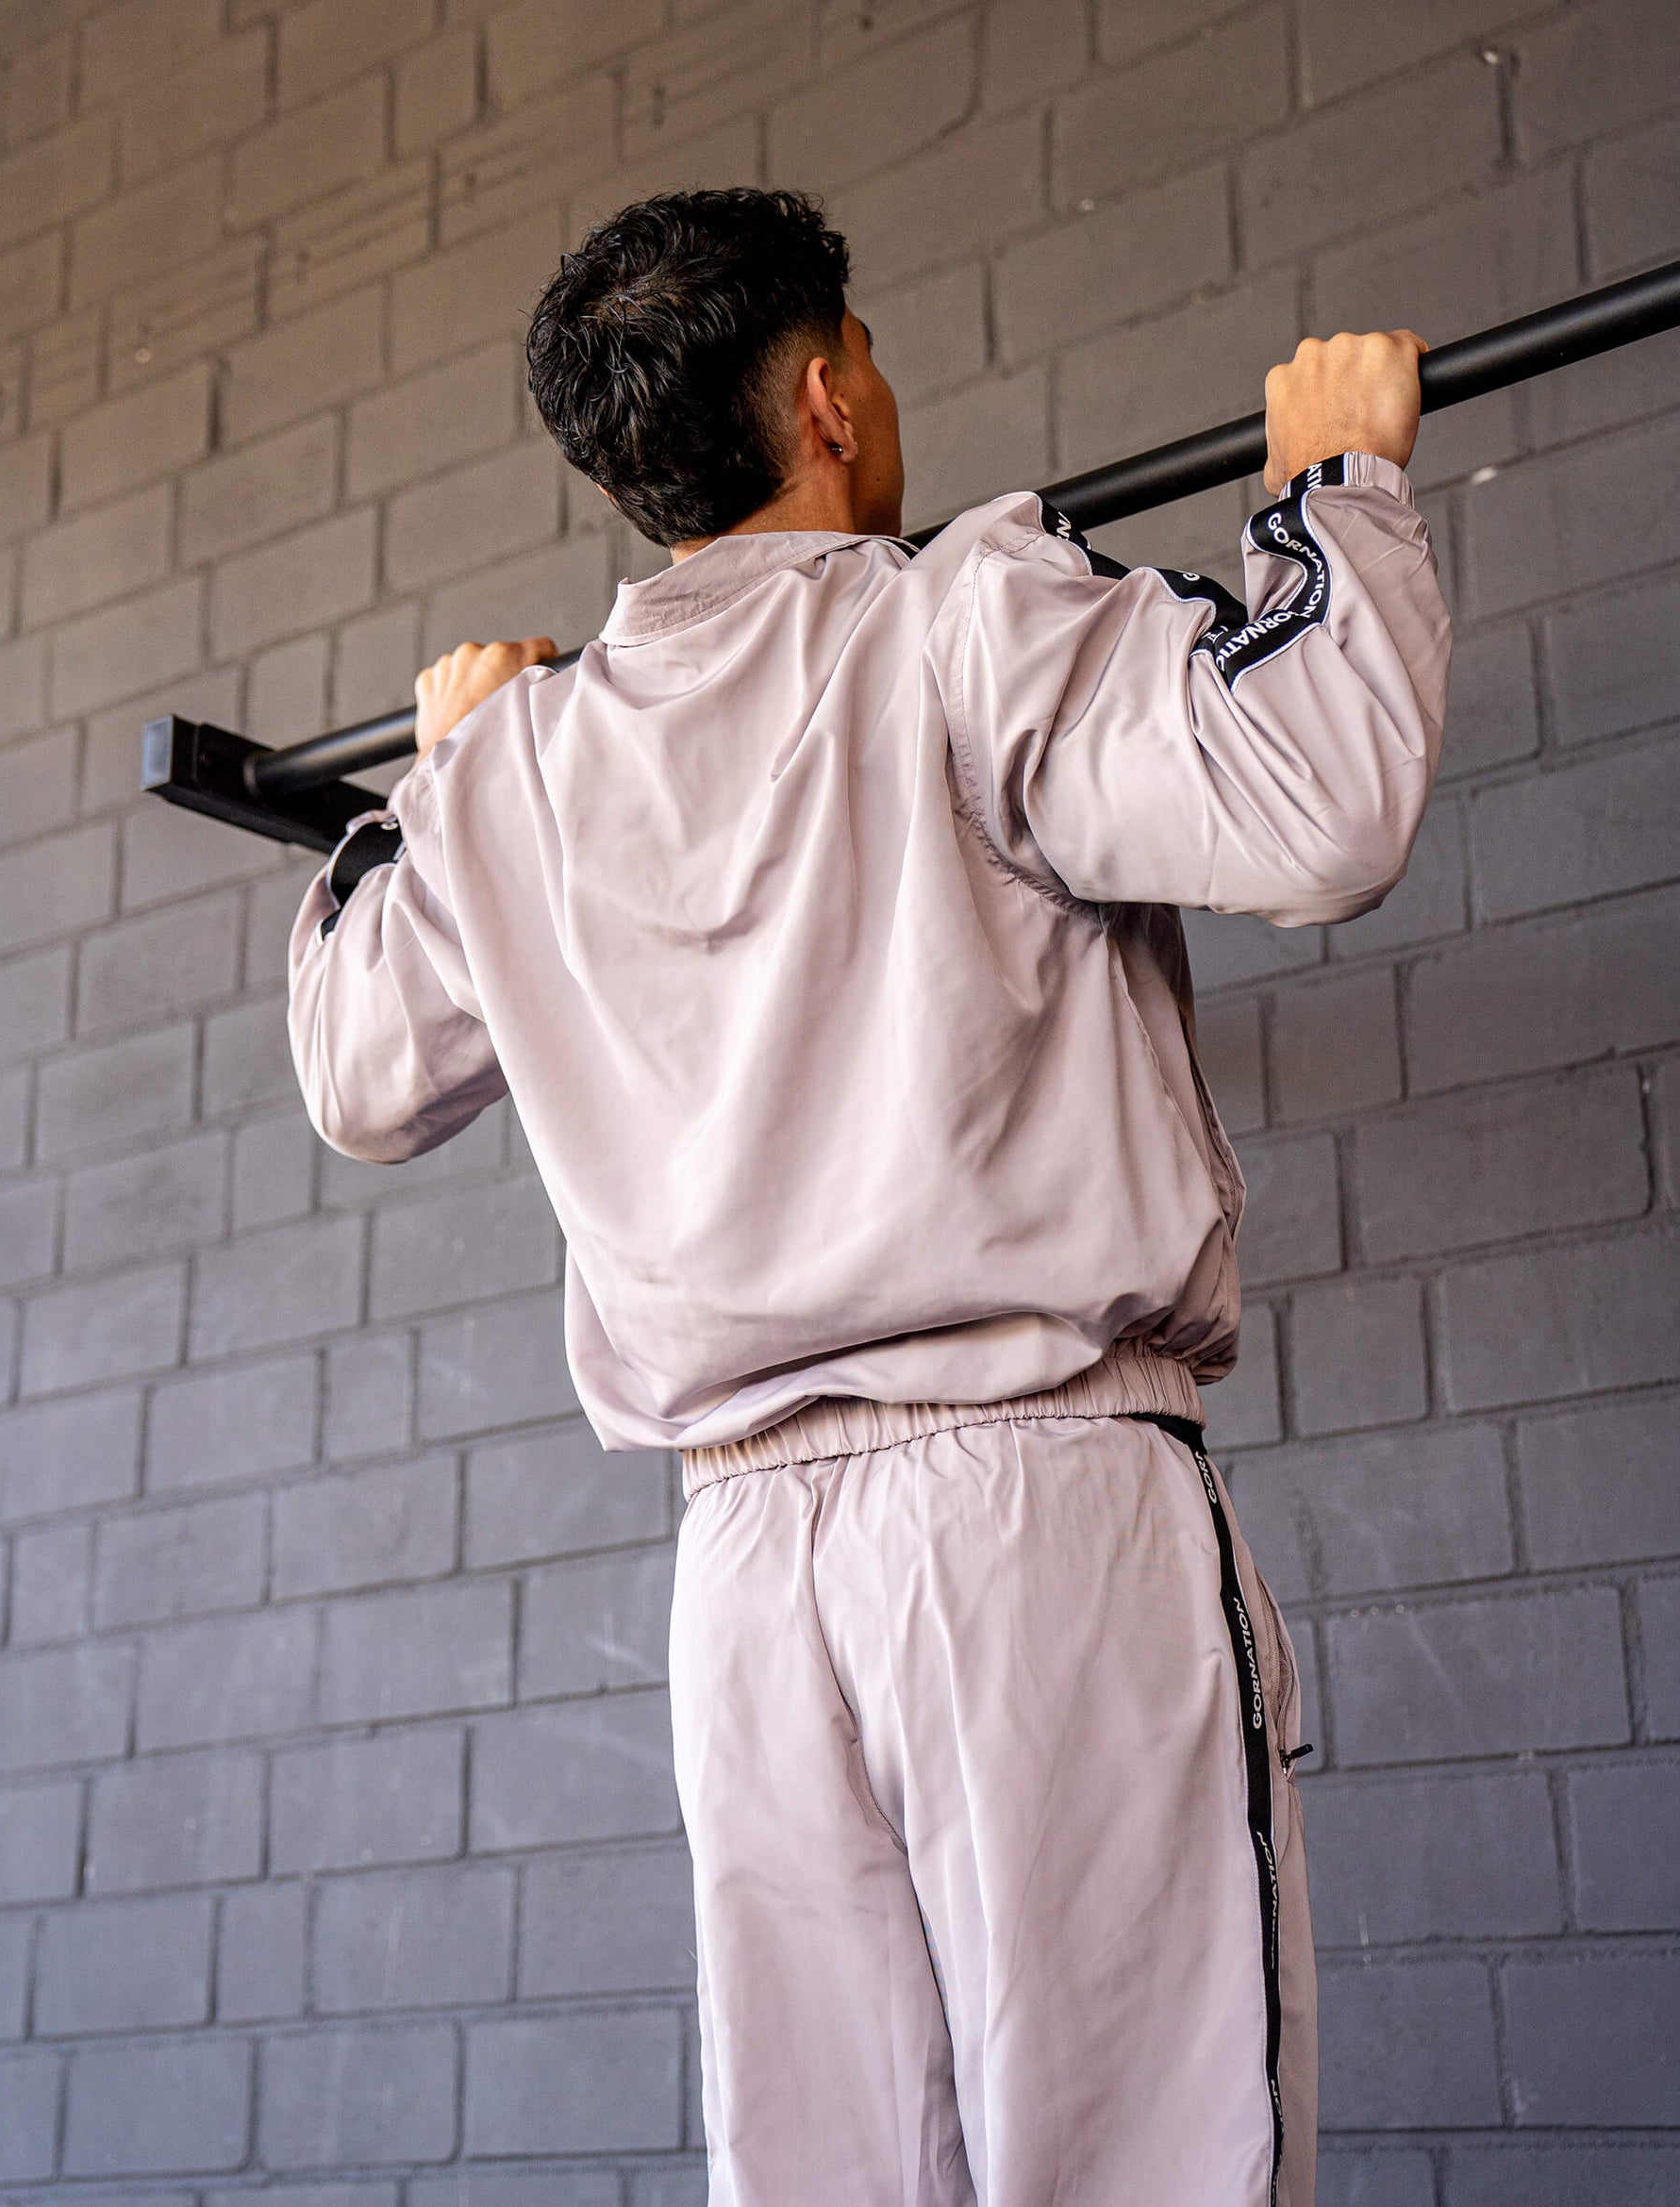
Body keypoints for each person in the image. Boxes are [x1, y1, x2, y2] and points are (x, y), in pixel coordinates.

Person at [287, 189, 1446, 2207]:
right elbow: (1320, 802)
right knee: (1142, 2166)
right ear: (832, 400)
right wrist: (1333, 486)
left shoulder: (512, 776)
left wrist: (432, 773)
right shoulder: (965, 616)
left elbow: (356, 1072)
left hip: (749, 1580)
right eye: (875, 359)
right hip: (1034, 1513)